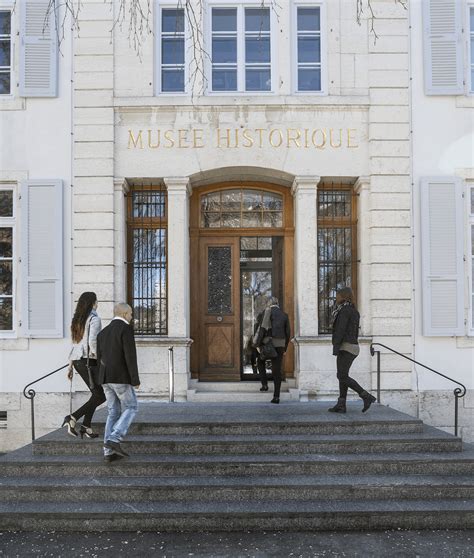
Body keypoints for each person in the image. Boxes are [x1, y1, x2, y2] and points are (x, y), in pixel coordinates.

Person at [96, 303, 140, 462]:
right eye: (130, 314)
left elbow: (98, 358)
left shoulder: (103, 332)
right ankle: (114, 439)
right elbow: (130, 355)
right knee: (131, 406)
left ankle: (108, 452)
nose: (131, 317)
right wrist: (135, 379)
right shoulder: (125, 329)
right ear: (124, 313)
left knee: (113, 412)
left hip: (105, 378)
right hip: (120, 377)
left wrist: (100, 379)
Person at [62, 292, 106, 439]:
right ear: (92, 303)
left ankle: (86, 426)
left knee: (96, 394)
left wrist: (70, 366)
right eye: (97, 300)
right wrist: (102, 359)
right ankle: (73, 417)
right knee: (100, 396)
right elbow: (93, 341)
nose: (98, 303)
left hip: (78, 362)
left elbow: (75, 344)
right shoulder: (94, 318)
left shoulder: (77, 320)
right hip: (89, 361)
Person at [329, 287, 376, 414]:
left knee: (341, 375)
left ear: (344, 296)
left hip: (346, 346)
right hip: (352, 346)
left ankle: (366, 396)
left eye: (338, 295)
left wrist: (336, 346)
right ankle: (341, 404)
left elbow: (340, 330)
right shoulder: (353, 310)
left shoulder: (344, 311)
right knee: (342, 376)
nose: (336, 298)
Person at [256, 297, 290, 404]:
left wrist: (257, 344)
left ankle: (264, 385)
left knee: (260, 361)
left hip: (268, 344)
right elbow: (288, 333)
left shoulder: (267, 312)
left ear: (269, 304)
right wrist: (285, 348)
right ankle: (276, 397)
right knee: (276, 370)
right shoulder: (284, 315)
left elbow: (262, 329)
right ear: (277, 303)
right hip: (280, 345)